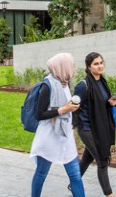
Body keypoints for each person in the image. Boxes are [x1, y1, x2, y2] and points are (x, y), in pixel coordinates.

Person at [30, 53, 85, 197]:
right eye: (71, 65)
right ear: (63, 67)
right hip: (49, 138)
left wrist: (71, 110)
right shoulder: (47, 86)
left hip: (65, 136)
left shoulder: (65, 83)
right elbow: (40, 114)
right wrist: (64, 109)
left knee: (75, 175)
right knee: (41, 173)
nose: (73, 68)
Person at [73, 52, 116, 197]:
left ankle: (73, 184)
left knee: (87, 157)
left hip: (99, 128)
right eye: (96, 64)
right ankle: (109, 194)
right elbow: (74, 105)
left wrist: (111, 103)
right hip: (87, 128)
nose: (100, 66)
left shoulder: (102, 82)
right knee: (102, 161)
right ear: (88, 67)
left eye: (101, 62)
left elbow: (101, 103)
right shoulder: (83, 85)